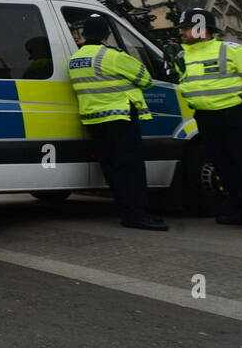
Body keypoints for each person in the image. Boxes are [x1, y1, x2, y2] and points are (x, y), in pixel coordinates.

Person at [67, 13, 167, 231]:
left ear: (84, 34)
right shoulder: (113, 56)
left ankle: (126, 212)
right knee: (130, 168)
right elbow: (146, 79)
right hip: (119, 118)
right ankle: (138, 215)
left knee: (112, 168)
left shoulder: (75, 59)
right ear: (106, 35)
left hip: (93, 120)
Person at [174, 7, 242, 229]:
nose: (182, 33)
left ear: (201, 28)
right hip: (206, 118)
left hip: (236, 115)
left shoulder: (232, 50)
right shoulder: (182, 55)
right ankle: (237, 208)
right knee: (222, 165)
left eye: (186, 28)